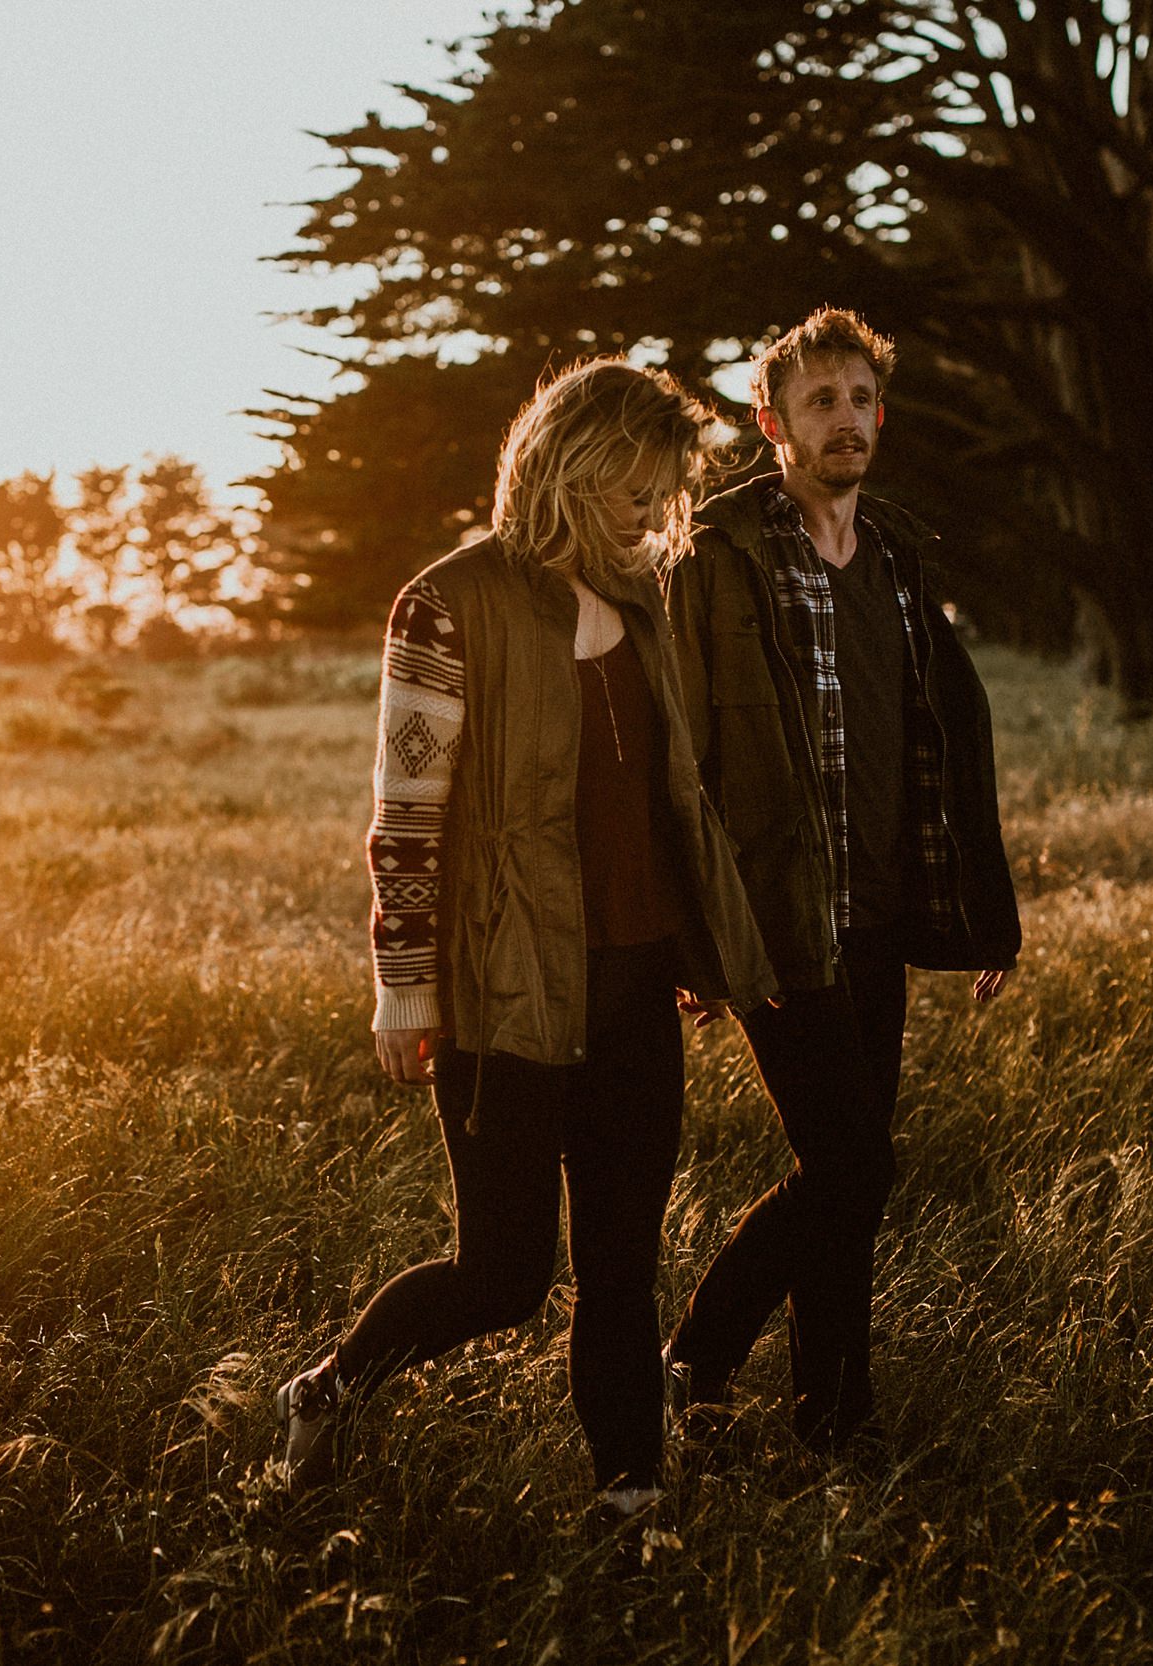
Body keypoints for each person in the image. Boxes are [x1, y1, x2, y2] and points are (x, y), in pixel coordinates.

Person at [276, 358, 777, 1523]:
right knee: (502, 1277)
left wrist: (694, 947)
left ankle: (630, 1490)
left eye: (662, 490)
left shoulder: (644, 596)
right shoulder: (448, 600)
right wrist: (402, 985)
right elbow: (405, 813)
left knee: (620, 1262)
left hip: (636, 980)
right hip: (505, 987)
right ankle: (331, 1388)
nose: (651, 512)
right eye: (633, 485)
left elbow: (664, 793)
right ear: (568, 463)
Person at [661, 307, 1021, 1454]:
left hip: (878, 911)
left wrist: (983, 909)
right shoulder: (716, 560)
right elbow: (685, 759)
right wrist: (695, 933)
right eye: (822, 401)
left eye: (862, 398)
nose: (848, 419)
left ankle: (832, 1412)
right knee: (856, 1159)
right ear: (770, 422)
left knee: (845, 1174)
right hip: (778, 922)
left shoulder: (897, 563)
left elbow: (947, 743)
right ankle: (698, 1353)